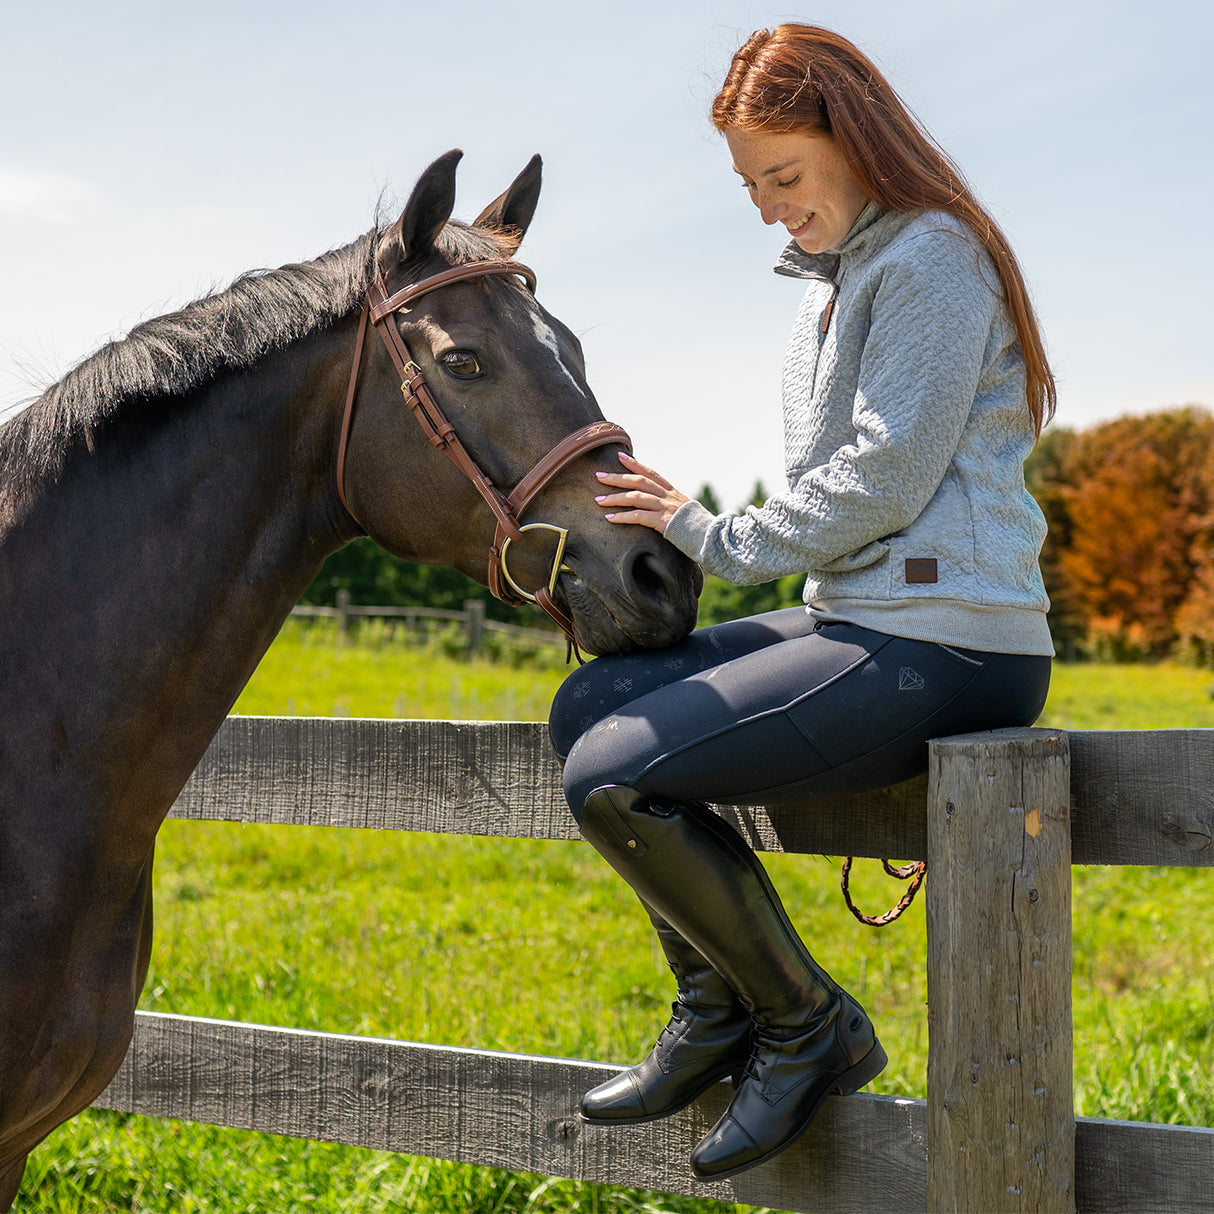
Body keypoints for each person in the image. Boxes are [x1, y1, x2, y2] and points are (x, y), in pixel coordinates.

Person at [548, 23, 1055, 1182]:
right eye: (748, 185)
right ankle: (716, 1007)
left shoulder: (929, 255)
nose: (768, 206)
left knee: (610, 774)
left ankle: (803, 1022)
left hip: (949, 637)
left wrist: (704, 533)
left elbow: (879, 478)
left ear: (855, 135)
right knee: (595, 701)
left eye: (784, 174)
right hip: (863, 617)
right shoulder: (827, 293)